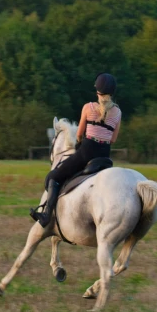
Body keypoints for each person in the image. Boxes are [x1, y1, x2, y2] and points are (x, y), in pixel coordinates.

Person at [29, 72, 122, 228]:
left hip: (87, 152)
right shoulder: (118, 113)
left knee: (54, 176)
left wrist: (80, 143)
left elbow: (79, 134)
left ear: (97, 91)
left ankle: (46, 216)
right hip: (105, 155)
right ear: (112, 92)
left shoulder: (88, 107)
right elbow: (113, 139)